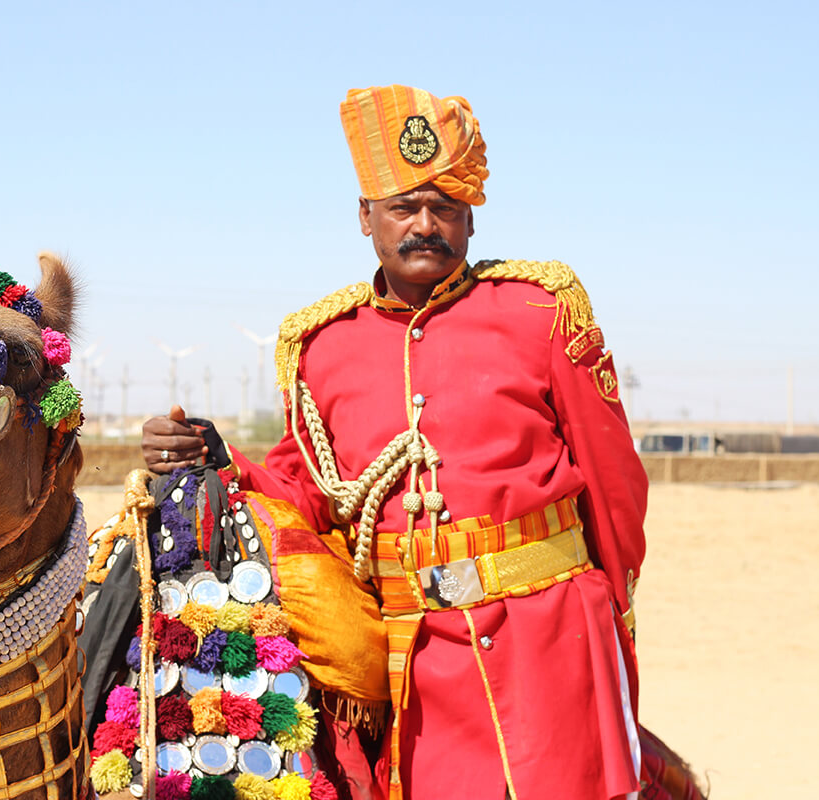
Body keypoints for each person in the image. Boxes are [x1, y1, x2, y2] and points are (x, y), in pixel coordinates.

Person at [143, 85, 648, 800]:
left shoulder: (540, 311)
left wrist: (613, 624)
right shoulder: (320, 346)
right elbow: (309, 493)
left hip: (553, 641)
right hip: (415, 662)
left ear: (470, 220)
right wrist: (213, 456)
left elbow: (615, 485)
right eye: (403, 207)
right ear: (364, 217)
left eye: (444, 206)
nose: (424, 224)